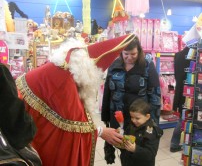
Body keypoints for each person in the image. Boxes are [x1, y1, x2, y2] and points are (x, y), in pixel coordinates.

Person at [16, 34, 136, 166]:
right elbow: (77, 126)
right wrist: (101, 132)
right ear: (87, 71)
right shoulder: (65, 79)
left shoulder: (61, 66)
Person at [101, 36, 161, 131]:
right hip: (117, 115)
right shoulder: (114, 65)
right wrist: (105, 116)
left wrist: (154, 122)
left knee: (134, 145)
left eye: (133, 54)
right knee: (117, 141)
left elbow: (155, 95)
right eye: (126, 54)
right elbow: (107, 92)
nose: (129, 57)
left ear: (139, 51)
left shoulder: (147, 66)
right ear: (121, 52)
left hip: (138, 118)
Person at [120, 99, 163, 166]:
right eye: (132, 117)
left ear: (147, 117)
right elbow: (126, 140)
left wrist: (135, 149)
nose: (134, 120)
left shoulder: (151, 132)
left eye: (137, 118)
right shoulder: (131, 125)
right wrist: (119, 141)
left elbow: (150, 155)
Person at [170, 47, 190, 152]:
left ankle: (176, 143)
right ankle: (174, 143)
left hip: (181, 91)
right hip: (190, 91)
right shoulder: (195, 55)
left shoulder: (178, 55)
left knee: (183, 117)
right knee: (184, 118)